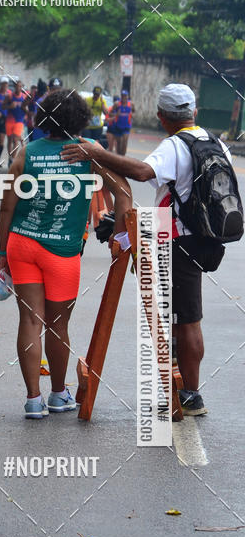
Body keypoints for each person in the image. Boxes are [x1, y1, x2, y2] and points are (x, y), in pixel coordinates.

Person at [61, 83, 230, 416]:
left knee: (187, 320)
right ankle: (183, 384)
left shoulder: (175, 146)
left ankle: (192, 395)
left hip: (180, 241)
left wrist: (96, 152)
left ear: (162, 117)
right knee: (183, 315)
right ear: (194, 113)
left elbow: (141, 172)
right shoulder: (216, 143)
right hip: (206, 236)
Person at [0, 90, 132, 418]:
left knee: (29, 320)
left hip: (23, 244)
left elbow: (6, 207)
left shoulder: (24, 153)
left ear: (43, 116)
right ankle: (58, 395)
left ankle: (32, 400)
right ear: (81, 119)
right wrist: (119, 236)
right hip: (62, 251)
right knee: (58, 324)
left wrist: (3, 252)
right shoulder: (88, 152)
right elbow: (124, 192)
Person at [4, 80, 27, 166]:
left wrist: (26, 114)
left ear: (22, 87)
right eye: (17, 86)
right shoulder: (9, 96)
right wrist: (10, 106)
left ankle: (13, 159)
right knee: (10, 140)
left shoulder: (24, 97)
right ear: (14, 87)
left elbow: (26, 109)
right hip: (10, 120)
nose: (18, 88)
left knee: (15, 140)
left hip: (19, 121)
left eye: (20, 86)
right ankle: (10, 158)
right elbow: (3, 106)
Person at [108, 89, 134, 156]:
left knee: (125, 142)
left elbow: (134, 111)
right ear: (121, 96)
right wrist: (116, 114)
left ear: (128, 97)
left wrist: (132, 115)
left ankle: (123, 157)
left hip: (126, 126)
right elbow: (110, 113)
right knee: (119, 144)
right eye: (122, 96)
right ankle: (119, 157)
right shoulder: (117, 104)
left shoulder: (131, 104)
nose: (124, 98)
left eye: (125, 96)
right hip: (118, 127)